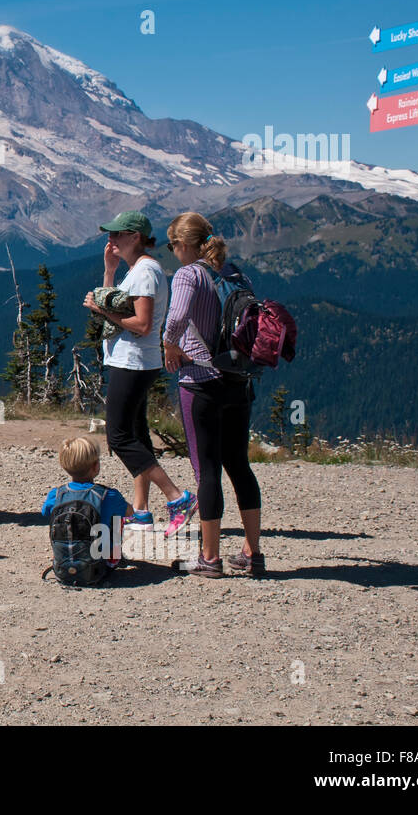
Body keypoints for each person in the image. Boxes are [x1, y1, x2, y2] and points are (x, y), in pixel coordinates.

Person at [162, 212, 265, 578]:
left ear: (185, 244)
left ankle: (210, 557)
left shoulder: (189, 274)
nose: (172, 251)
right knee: (238, 464)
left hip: (200, 381)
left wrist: (169, 345)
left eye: (173, 244)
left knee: (207, 471)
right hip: (238, 381)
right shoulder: (236, 272)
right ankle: (252, 552)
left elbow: (176, 317)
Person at [83, 210, 197, 536]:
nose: (111, 240)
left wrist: (103, 309)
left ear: (135, 237)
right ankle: (143, 511)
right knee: (137, 435)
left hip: (132, 363)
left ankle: (178, 498)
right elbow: (111, 305)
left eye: (117, 234)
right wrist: (109, 271)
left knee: (118, 437)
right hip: (132, 362)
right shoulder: (136, 270)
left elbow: (143, 325)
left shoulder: (146, 272)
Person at [42, 437, 133, 566]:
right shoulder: (109, 495)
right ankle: (113, 557)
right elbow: (130, 512)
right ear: (96, 466)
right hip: (101, 562)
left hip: (64, 563)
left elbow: (45, 512)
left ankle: (65, 553)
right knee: (119, 518)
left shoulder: (56, 494)